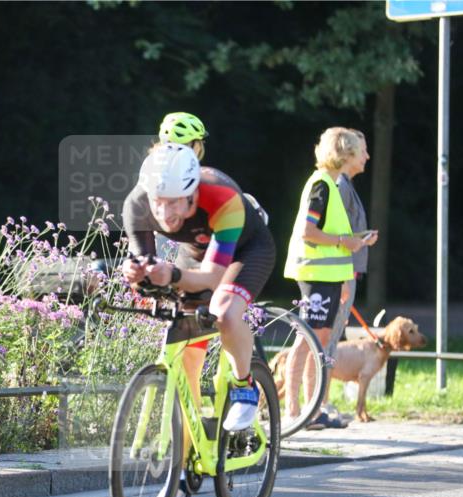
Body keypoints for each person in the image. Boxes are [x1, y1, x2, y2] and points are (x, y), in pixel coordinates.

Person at [121, 142, 275, 434]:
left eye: (174, 202)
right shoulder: (137, 203)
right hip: (195, 253)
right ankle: (187, 453)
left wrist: (173, 274)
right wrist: (136, 272)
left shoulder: (222, 198)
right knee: (186, 349)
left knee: (225, 313)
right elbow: (143, 260)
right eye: (158, 202)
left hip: (247, 252)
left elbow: (214, 278)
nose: (164, 213)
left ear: (192, 193)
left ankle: (245, 386)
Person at [282, 127, 377, 429]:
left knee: (318, 342)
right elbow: (309, 232)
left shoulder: (332, 185)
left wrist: (351, 253)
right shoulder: (321, 185)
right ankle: (293, 409)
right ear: (344, 154)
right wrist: (343, 241)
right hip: (315, 273)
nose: (363, 156)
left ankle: (311, 410)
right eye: (355, 150)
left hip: (330, 274)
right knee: (306, 339)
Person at [323, 129, 378, 413]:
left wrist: (361, 237)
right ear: (349, 153)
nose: (367, 156)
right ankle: (320, 403)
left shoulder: (344, 185)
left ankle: (318, 402)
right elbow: (333, 235)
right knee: (327, 337)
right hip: (339, 274)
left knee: (328, 336)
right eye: (363, 150)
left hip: (344, 272)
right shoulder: (340, 186)